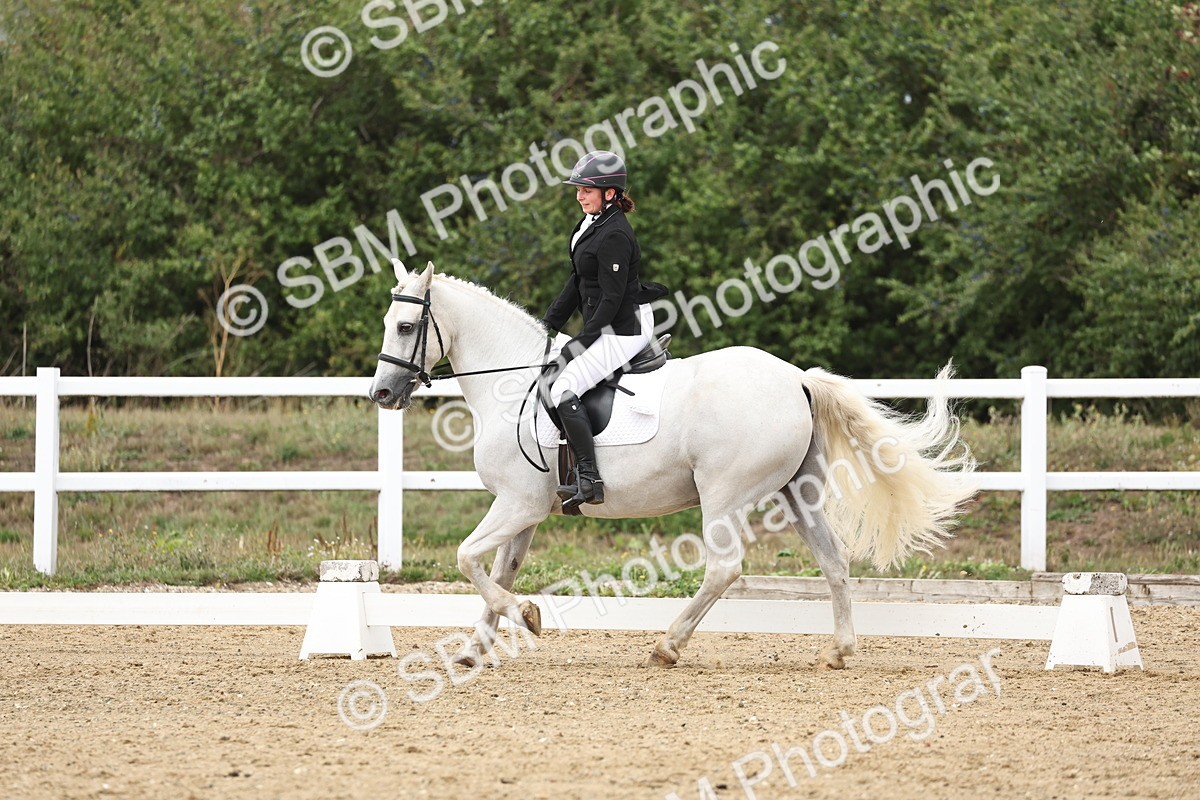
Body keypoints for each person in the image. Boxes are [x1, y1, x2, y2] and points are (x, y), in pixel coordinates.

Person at [541, 150, 667, 511]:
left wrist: (580, 343)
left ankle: (589, 477)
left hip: (624, 328)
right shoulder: (587, 225)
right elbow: (576, 282)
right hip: (605, 322)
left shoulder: (615, 234)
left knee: (564, 386)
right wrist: (547, 325)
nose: (580, 196)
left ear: (610, 193)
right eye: (578, 189)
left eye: (587, 190)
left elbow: (611, 302)